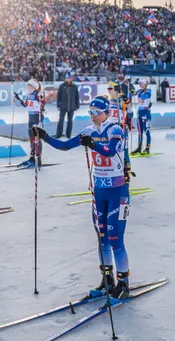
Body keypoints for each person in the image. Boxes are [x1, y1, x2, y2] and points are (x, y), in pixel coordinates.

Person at [35, 96, 132, 299]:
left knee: (115, 239)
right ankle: (107, 280)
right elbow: (64, 146)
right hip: (99, 191)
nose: (92, 115)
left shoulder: (114, 129)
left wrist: (94, 146)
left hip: (117, 192)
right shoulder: (88, 131)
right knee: (102, 237)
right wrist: (44, 137)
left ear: (106, 112)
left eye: (96, 112)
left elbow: (111, 150)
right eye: (90, 112)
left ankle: (123, 282)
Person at [16, 78, 46, 169]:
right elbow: (25, 105)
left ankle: (38, 158)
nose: (27, 87)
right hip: (31, 118)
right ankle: (32, 157)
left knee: (37, 138)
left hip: (37, 117)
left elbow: (43, 102)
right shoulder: (29, 95)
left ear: (33, 86)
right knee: (31, 137)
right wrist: (18, 98)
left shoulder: (37, 94)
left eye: (29, 85)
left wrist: (41, 99)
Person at [131, 79, 154, 155]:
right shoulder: (139, 91)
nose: (140, 85)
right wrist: (131, 92)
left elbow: (145, 96)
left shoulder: (148, 91)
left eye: (141, 83)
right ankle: (139, 147)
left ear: (145, 84)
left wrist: (138, 93)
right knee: (140, 132)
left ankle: (147, 148)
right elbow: (132, 94)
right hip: (139, 113)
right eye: (139, 83)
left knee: (146, 131)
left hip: (146, 114)